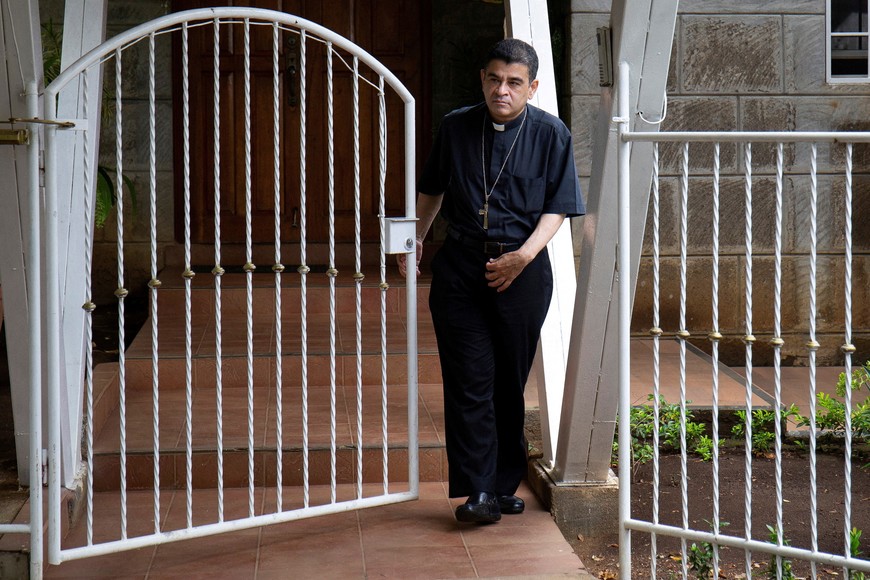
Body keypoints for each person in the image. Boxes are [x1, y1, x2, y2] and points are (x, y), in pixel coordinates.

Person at [398, 38, 585, 524]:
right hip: (461, 268)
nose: (502, 90)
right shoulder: (456, 126)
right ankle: (478, 491)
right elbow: (432, 190)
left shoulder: (551, 133)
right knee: (468, 381)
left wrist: (523, 257)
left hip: (521, 272)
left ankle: (503, 485)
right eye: (495, 79)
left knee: (508, 381)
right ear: (483, 78)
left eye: (514, 83)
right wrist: (415, 240)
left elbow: (559, 206)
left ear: (532, 87)